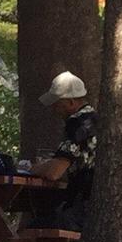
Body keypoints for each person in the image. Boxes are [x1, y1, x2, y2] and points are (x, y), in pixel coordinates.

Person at [32, 70, 97, 233]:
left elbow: (54, 172)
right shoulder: (97, 119)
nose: (54, 109)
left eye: (57, 104)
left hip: (81, 207)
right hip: (94, 203)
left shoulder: (77, 124)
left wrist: (34, 168)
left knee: (32, 230)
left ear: (71, 102)